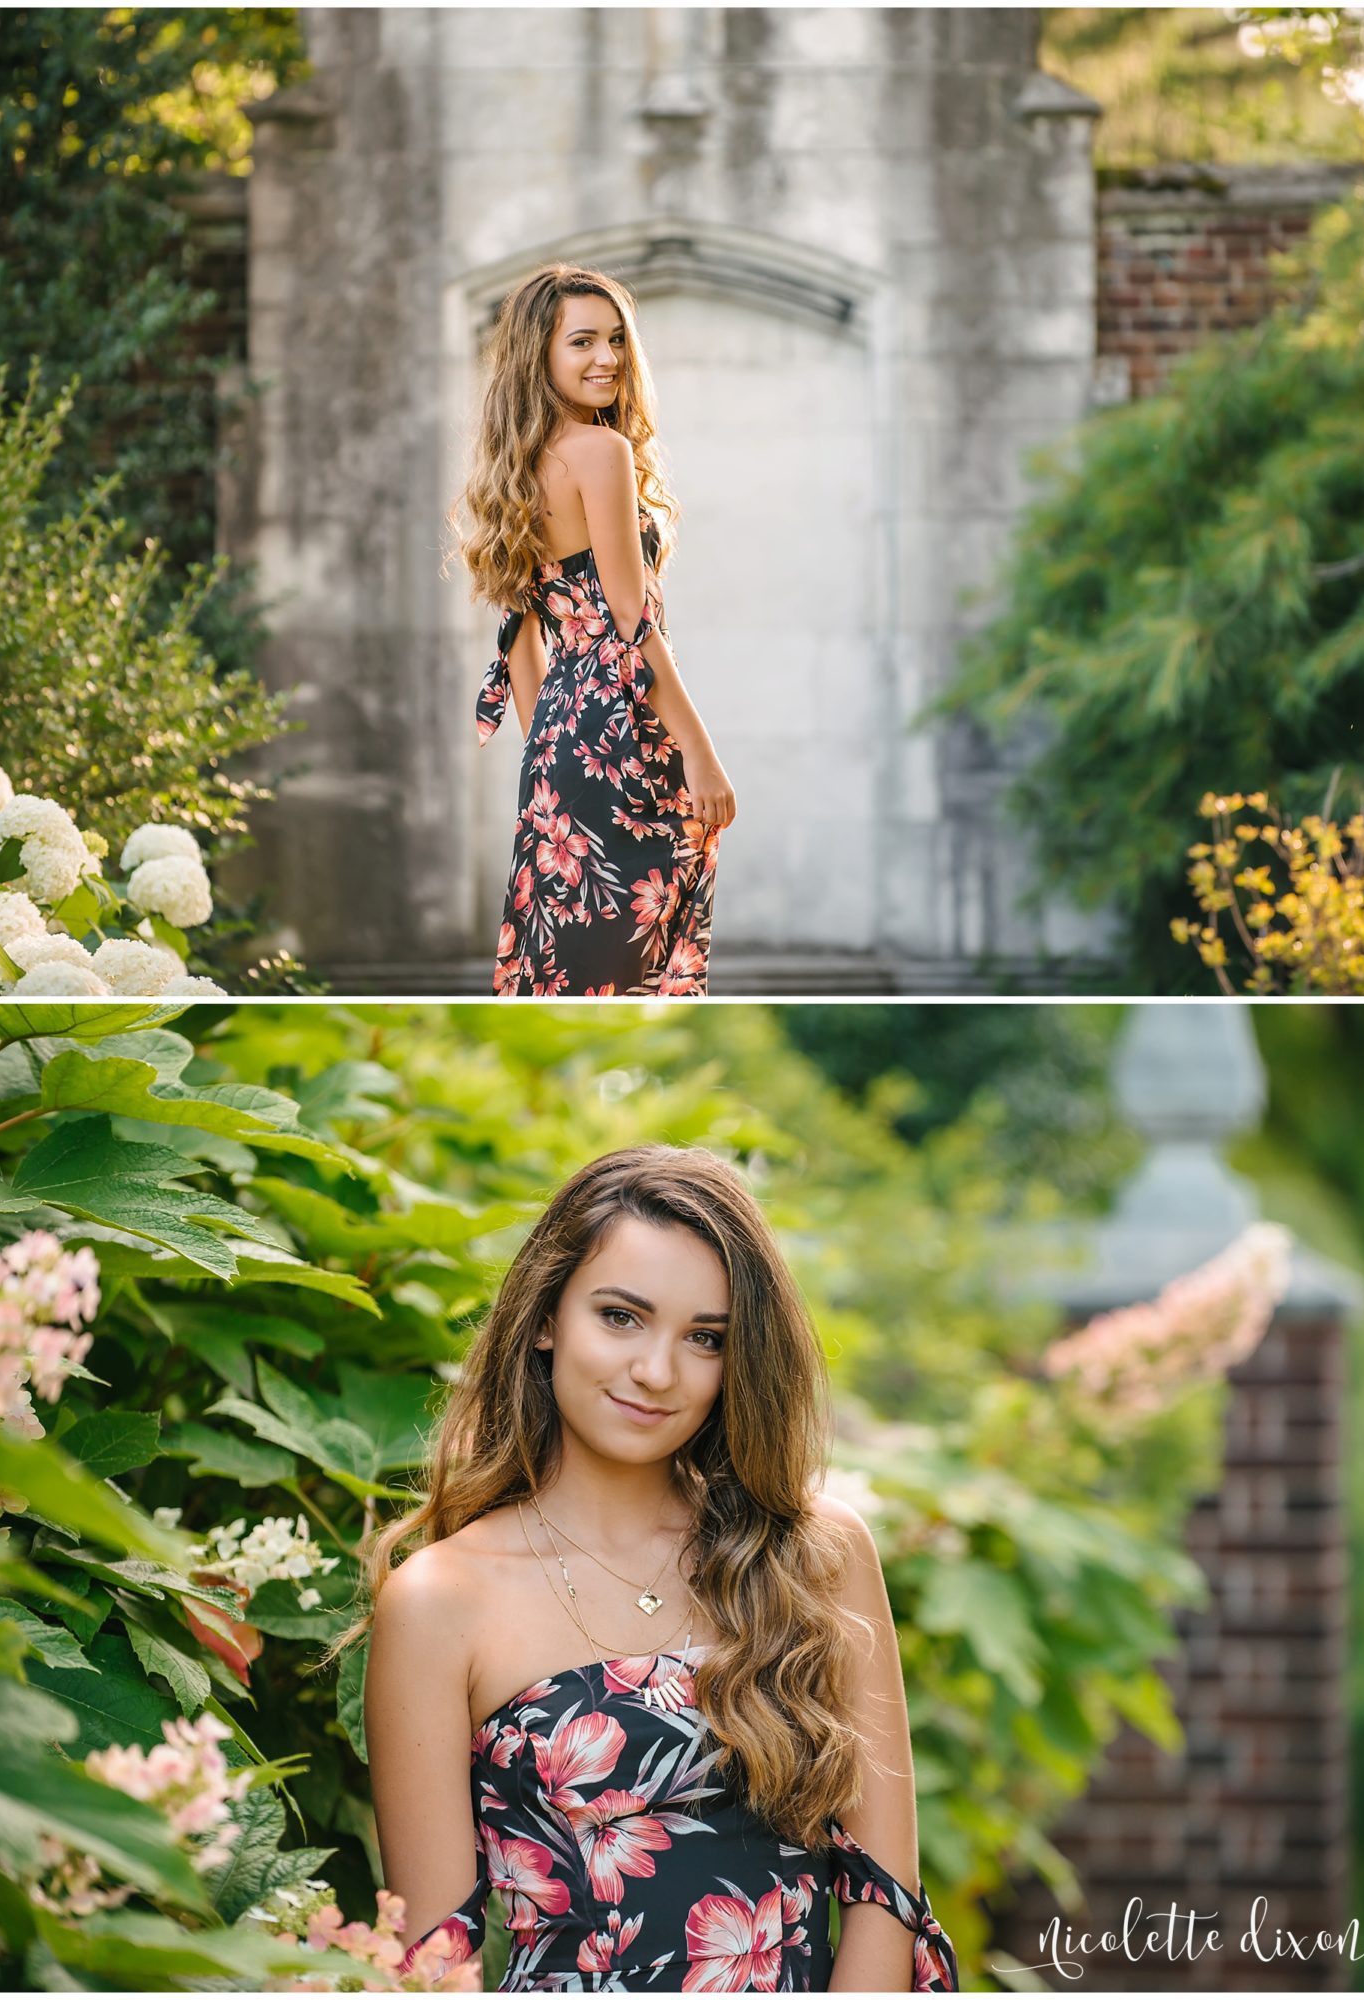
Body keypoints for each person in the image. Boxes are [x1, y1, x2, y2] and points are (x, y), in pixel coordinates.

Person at [350, 1145, 959, 1991]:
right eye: (621, 1317)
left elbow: (885, 1899)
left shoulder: (814, 1552)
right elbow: (431, 1964)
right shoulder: (438, 1601)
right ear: (544, 1319)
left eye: (705, 1338)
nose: (656, 1372)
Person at [445, 267, 736, 998]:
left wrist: (556, 753)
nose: (607, 358)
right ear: (536, 354)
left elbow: (519, 641)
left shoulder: (512, 471)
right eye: (582, 342)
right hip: (622, 732)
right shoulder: (600, 453)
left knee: (567, 963)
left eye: (615, 340)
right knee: (627, 967)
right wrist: (701, 757)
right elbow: (631, 624)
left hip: (558, 744)